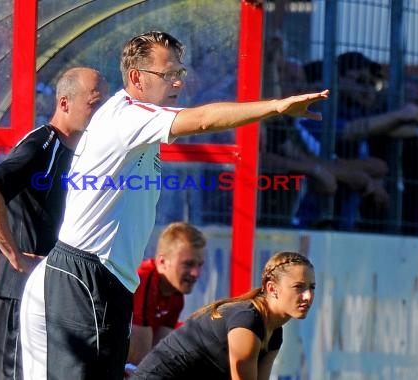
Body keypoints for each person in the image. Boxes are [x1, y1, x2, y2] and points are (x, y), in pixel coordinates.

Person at [20, 30, 328, 380]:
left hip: (105, 279)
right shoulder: (128, 116)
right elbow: (204, 119)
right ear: (136, 77)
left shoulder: (137, 120)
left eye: (180, 73)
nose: (178, 83)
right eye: (168, 75)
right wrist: (275, 107)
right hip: (81, 277)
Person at [0, 67, 108, 380]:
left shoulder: (81, 154)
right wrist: (15, 256)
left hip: (50, 293)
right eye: (94, 104)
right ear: (64, 103)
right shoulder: (43, 144)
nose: (100, 114)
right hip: (19, 293)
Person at [131, 251, 315, 380]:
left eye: (312, 287)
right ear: (272, 288)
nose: (308, 296)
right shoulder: (248, 321)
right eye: (299, 287)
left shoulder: (275, 333)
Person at [127, 222, 206, 367]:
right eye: (188, 264)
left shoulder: (176, 294)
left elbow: (160, 353)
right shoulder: (144, 280)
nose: (196, 273)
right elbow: (140, 358)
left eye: (200, 265)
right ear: (162, 262)